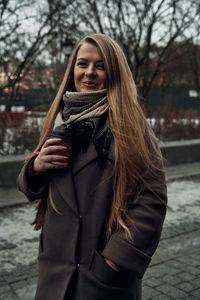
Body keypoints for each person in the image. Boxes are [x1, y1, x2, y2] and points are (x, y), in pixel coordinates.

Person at [17, 34, 167, 300]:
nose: (89, 72)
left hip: (101, 280)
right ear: (72, 69)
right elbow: (35, 187)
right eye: (82, 63)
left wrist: (115, 260)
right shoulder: (59, 118)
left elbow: (151, 199)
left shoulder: (132, 125)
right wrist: (35, 167)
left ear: (114, 71)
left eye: (100, 65)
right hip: (55, 272)